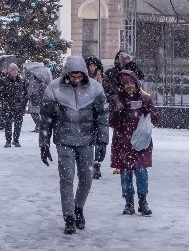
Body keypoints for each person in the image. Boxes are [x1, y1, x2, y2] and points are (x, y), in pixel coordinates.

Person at [39, 55, 109, 235]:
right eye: (73, 77)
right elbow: (45, 119)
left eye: (79, 77)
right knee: (67, 179)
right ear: (66, 74)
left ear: (84, 74)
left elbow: (102, 117)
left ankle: (78, 207)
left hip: (87, 141)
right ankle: (69, 216)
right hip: (64, 141)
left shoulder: (96, 89)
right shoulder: (54, 89)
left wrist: (102, 140)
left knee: (87, 178)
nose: (76, 80)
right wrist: (44, 144)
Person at [108, 72, 157, 216]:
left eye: (131, 82)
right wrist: (119, 111)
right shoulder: (116, 101)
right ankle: (128, 202)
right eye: (125, 83)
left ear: (136, 83)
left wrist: (146, 111)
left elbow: (156, 118)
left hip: (141, 141)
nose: (129, 86)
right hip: (123, 141)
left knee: (141, 170)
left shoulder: (145, 99)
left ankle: (143, 201)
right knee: (126, 172)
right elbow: (112, 121)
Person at [0, 63, 28, 148]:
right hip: (8, 106)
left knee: (18, 124)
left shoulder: (21, 81)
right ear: (9, 71)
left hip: (19, 106)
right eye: (13, 70)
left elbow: (25, 94)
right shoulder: (4, 80)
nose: (15, 72)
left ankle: (16, 140)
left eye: (16, 70)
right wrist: (4, 103)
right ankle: (8, 140)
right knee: (8, 124)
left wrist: (23, 104)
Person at [84, 56, 106, 178]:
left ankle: (96, 163)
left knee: (99, 140)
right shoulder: (83, 79)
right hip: (86, 112)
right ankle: (89, 163)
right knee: (87, 139)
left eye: (94, 65)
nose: (92, 68)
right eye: (90, 65)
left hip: (99, 112)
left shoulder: (102, 78)